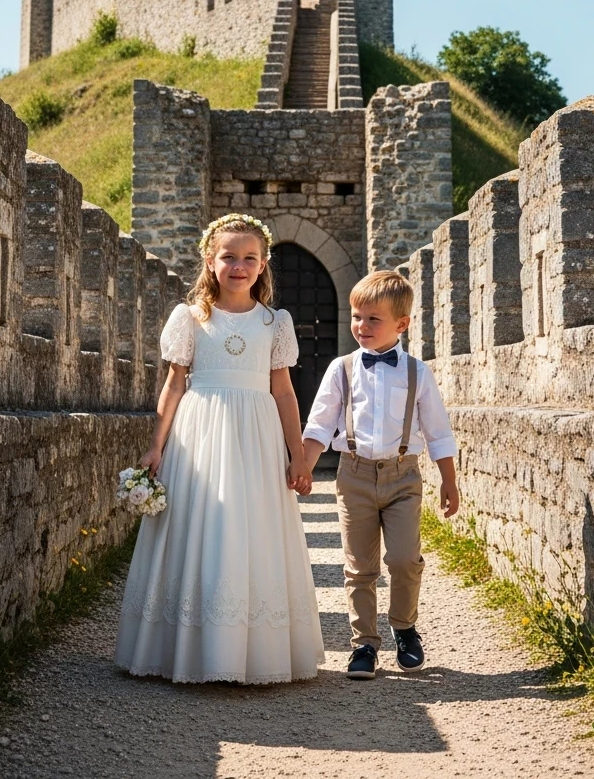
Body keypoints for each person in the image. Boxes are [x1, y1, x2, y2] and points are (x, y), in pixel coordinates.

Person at [114, 213, 324, 685]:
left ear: (264, 263)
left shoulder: (275, 322)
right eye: (229, 256)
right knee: (199, 526)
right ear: (210, 261)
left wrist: (297, 453)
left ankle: (251, 651)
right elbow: (173, 385)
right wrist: (155, 446)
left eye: (250, 257)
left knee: (252, 530)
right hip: (200, 432)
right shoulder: (190, 318)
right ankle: (188, 650)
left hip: (256, 434)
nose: (239, 266)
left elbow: (285, 392)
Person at [302, 269, 459, 680]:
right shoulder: (341, 368)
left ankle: (404, 627)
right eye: (357, 317)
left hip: (403, 477)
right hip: (354, 476)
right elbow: (319, 425)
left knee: (405, 559)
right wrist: (302, 465)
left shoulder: (417, 373)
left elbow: (438, 432)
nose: (361, 326)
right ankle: (364, 645)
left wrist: (449, 480)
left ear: (401, 324)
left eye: (373, 319)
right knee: (359, 567)